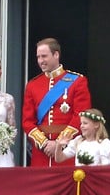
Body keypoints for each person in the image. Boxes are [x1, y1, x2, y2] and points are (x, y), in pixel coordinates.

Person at [22, 37, 92, 167]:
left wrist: (59, 143)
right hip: (41, 153)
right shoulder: (33, 85)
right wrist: (44, 143)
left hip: (67, 150)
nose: (40, 61)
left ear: (56, 55)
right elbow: (27, 121)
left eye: (44, 56)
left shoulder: (77, 81)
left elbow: (80, 116)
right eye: (38, 57)